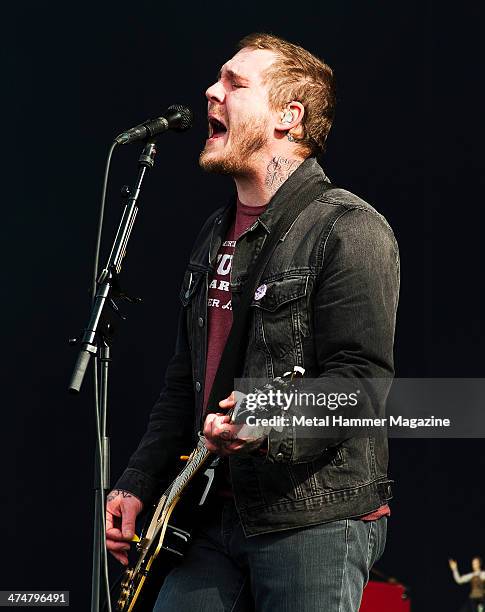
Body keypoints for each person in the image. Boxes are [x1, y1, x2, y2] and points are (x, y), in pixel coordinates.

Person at [105, 32, 400, 611]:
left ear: (289, 116)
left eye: (235, 84)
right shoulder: (215, 236)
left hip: (313, 517)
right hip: (212, 512)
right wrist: (139, 480)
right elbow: (183, 380)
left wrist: (264, 415)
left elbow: (362, 386)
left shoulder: (350, 230)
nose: (211, 92)